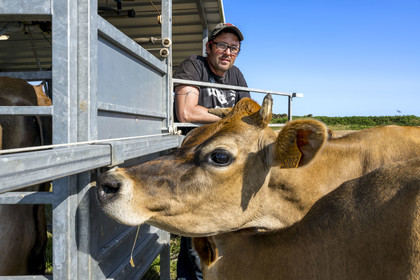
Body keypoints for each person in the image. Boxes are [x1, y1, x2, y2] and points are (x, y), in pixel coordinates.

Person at [173, 23, 250, 280]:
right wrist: (230, 116)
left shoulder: (236, 75)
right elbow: (186, 111)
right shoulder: (194, 66)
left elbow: (248, 116)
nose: (228, 52)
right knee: (198, 233)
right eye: (223, 45)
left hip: (228, 164)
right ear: (209, 47)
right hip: (198, 163)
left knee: (226, 231)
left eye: (234, 48)